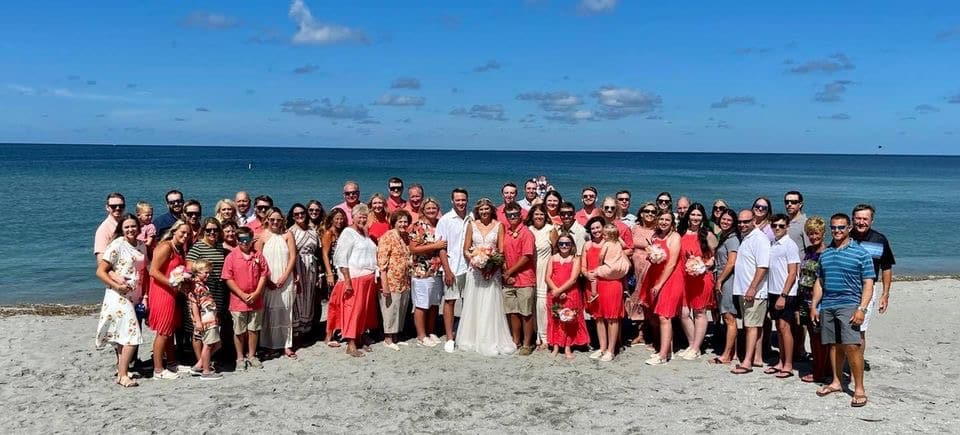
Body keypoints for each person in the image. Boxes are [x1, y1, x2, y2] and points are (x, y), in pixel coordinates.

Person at [811, 213, 875, 407]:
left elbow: (868, 283)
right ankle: (837, 382)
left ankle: (859, 389)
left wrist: (861, 309)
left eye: (841, 228)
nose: (837, 231)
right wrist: (814, 305)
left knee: (852, 346)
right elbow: (820, 282)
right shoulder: (826, 254)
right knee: (833, 345)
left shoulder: (861, 253)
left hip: (850, 304)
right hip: (828, 304)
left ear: (849, 229)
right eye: (834, 228)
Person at [457, 198, 516, 356]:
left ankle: (490, 338)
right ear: (478, 211)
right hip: (475, 271)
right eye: (481, 209)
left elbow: (501, 251)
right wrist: (475, 262)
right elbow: (466, 249)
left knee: (491, 303)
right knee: (474, 302)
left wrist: (491, 267)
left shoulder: (499, 226)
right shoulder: (472, 225)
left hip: (492, 271)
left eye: (487, 209)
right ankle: (472, 338)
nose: (484, 212)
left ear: (491, 210)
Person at [94, 213, 146, 388]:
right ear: (122, 229)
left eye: (133, 226)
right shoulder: (117, 245)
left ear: (138, 227)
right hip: (118, 295)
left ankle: (122, 370)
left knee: (123, 334)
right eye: (127, 227)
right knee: (132, 335)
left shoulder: (141, 246)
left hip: (134, 295)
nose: (131, 229)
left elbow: (144, 272)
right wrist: (117, 286)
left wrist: (144, 295)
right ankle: (123, 375)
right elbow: (101, 271)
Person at [332, 203, 379, 357]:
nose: (363, 219)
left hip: (368, 277)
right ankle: (351, 344)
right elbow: (340, 258)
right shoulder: (348, 233)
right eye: (360, 216)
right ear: (353, 217)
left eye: (365, 216)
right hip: (354, 277)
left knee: (364, 311)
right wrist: (347, 281)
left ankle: (360, 337)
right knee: (353, 310)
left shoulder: (364, 233)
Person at [222, 227, 269, 370]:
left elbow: (264, 274)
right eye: (241, 240)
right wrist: (241, 294)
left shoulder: (258, 255)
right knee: (239, 330)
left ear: (251, 240)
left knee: (254, 329)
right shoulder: (231, 257)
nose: (244, 243)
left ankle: (252, 355)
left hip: (256, 299)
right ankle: (240, 357)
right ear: (237, 241)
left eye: (247, 240)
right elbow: (228, 278)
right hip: (238, 300)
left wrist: (257, 292)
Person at [148, 220, 191, 379]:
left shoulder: (180, 248)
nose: (185, 236)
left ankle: (172, 363)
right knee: (164, 331)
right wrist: (172, 283)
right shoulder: (166, 247)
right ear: (174, 231)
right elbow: (153, 271)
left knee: (170, 329)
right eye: (182, 233)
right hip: (162, 292)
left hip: (172, 292)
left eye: (187, 233)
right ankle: (158, 370)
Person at [850, 204, 895, 353]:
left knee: (859, 329)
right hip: (845, 288)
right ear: (852, 219)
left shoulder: (880, 239)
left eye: (865, 219)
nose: (861, 222)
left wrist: (885, 294)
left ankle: (856, 366)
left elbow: (886, 267)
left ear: (871, 221)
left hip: (867, 289)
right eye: (858, 218)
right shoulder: (845, 237)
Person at [730, 209, 770, 374]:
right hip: (744, 289)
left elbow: (763, 266)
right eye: (740, 222)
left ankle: (746, 362)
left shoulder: (760, 239)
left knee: (751, 326)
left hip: (754, 291)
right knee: (754, 325)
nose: (742, 225)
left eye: (746, 222)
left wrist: (753, 287)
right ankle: (757, 358)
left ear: (754, 220)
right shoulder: (746, 238)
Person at [641, 210, 684, 365]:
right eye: (662, 219)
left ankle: (663, 356)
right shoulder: (655, 236)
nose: (664, 222)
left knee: (664, 316)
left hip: (671, 279)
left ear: (672, 222)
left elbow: (672, 263)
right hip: (656, 276)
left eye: (667, 219)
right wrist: (651, 256)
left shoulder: (675, 237)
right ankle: (666, 350)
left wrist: (660, 284)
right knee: (659, 315)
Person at [185, 218, 229, 367]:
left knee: (212, 325)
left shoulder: (219, 246)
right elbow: (189, 271)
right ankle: (201, 362)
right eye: (209, 230)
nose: (212, 232)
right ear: (203, 230)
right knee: (198, 328)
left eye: (215, 230)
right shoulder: (197, 247)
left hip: (217, 291)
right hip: (200, 292)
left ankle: (205, 360)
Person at [677, 203, 717, 361]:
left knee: (700, 312)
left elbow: (715, 256)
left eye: (698, 215)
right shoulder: (680, 233)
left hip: (701, 278)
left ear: (703, 217)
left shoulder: (707, 234)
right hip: (684, 278)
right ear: (688, 216)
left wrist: (708, 263)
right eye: (692, 214)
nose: (695, 218)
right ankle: (693, 344)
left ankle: (695, 347)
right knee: (684, 312)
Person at [256, 207, 298, 359]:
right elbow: (258, 261)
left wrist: (285, 276)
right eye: (272, 219)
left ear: (282, 221)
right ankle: (270, 345)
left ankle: (286, 345)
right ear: (267, 219)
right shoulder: (262, 237)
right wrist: (266, 280)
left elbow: (293, 257)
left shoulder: (288, 235)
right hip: (268, 280)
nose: (275, 222)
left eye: (278, 220)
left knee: (286, 311)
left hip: (285, 279)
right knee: (269, 312)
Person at [583, 217, 626, 362]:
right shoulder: (587, 245)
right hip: (594, 283)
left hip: (611, 283)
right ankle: (602, 347)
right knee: (599, 317)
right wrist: (586, 274)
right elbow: (583, 265)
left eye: (598, 227)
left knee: (612, 317)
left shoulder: (613, 242)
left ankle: (611, 349)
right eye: (593, 228)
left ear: (604, 228)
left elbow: (625, 257)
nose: (596, 231)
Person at [765, 213, 801, 378]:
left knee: (785, 328)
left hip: (786, 293)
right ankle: (781, 361)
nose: (777, 228)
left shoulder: (789, 245)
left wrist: (784, 295)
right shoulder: (773, 243)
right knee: (778, 328)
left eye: (781, 225)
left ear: (787, 227)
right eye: (774, 226)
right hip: (773, 290)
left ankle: (788, 364)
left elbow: (793, 272)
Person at [409, 198, 448, 347]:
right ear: (423, 210)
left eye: (434, 208)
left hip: (437, 270)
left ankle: (431, 331)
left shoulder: (439, 225)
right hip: (421, 271)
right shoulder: (418, 226)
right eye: (429, 208)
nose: (431, 211)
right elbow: (413, 248)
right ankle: (421, 335)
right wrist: (435, 245)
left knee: (434, 303)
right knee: (421, 304)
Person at [436, 188, 470, 353]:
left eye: (463, 200)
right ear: (452, 201)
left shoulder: (472, 218)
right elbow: (441, 248)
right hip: (453, 267)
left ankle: (466, 334)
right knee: (450, 302)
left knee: (468, 302)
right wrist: (447, 270)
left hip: (470, 269)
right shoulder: (445, 220)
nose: (461, 203)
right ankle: (449, 338)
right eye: (458, 200)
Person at [545, 232, 588, 359]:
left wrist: (561, 291)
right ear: (557, 245)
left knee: (569, 319)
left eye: (567, 243)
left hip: (570, 293)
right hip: (554, 292)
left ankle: (568, 346)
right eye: (561, 243)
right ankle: (556, 345)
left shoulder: (575, 259)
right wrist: (556, 290)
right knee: (555, 318)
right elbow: (547, 277)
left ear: (571, 245)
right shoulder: (552, 258)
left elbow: (574, 279)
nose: (564, 246)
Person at [501, 202, 537, 355]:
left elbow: (526, 257)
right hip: (509, 279)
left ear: (521, 215)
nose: (513, 217)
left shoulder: (527, 233)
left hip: (525, 278)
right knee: (512, 311)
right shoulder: (507, 232)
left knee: (526, 313)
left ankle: (527, 343)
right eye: (510, 215)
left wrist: (510, 272)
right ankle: (516, 340)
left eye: (515, 214)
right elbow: (501, 254)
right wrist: (505, 272)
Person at [797, 216, 830, 383]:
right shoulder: (809, 251)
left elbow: (824, 280)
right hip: (804, 298)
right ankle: (820, 366)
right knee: (812, 335)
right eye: (810, 233)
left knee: (819, 338)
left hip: (817, 300)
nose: (813, 236)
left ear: (823, 233)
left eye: (816, 233)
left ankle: (820, 371)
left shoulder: (826, 253)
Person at [376, 209, 413, 351]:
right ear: (394, 223)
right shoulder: (387, 237)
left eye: (405, 221)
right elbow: (382, 263)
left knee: (401, 308)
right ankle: (388, 338)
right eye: (400, 221)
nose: (403, 224)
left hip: (403, 280)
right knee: (390, 309)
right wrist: (384, 284)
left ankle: (396, 336)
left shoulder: (405, 237)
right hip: (391, 280)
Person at [710, 208, 740, 365]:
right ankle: (732, 353)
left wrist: (720, 280)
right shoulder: (725, 236)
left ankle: (727, 355)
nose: (725, 222)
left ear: (733, 222)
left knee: (729, 317)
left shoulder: (733, 239)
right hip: (723, 278)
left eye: (729, 220)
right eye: (723, 219)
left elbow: (731, 262)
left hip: (728, 281)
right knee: (727, 316)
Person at [526, 203, 556, 349]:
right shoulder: (528, 230)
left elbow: (556, 252)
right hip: (529, 270)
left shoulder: (551, 230)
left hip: (545, 270)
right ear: (532, 216)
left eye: (541, 214)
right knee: (531, 304)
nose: (538, 217)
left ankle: (545, 337)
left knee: (543, 305)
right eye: (536, 214)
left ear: (546, 216)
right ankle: (535, 334)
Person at [186, 259, 223, 380]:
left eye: (209, 273)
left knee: (217, 344)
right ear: (197, 272)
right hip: (205, 319)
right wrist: (197, 321)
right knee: (208, 345)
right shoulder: (196, 287)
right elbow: (194, 305)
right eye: (205, 273)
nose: (208, 275)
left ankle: (199, 365)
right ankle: (206, 371)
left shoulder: (201, 285)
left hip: (210, 317)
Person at [287, 203, 319, 338]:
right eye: (296, 214)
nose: (300, 216)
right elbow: (289, 254)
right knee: (297, 298)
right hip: (297, 266)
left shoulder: (312, 230)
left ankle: (307, 329)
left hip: (311, 267)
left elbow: (317, 251)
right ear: (292, 216)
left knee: (309, 297)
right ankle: (296, 332)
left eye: (302, 213)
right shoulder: (290, 232)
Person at [628, 201, 658, 346]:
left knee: (648, 302)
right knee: (636, 299)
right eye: (647, 211)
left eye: (653, 212)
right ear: (641, 213)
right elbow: (628, 246)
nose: (650, 214)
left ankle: (653, 336)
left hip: (649, 269)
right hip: (635, 269)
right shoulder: (635, 228)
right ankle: (640, 333)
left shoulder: (657, 230)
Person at [322, 208, 348, 347]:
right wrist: (329, 273)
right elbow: (325, 255)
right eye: (337, 218)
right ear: (332, 219)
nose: (339, 221)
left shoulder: (345, 232)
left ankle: (340, 330)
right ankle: (328, 336)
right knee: (333, 303)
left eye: (341, 218)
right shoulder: (329, 233)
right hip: (333, 270)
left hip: (343, 271)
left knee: (343, 302)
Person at [95, 192, 126, 262]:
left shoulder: (129, 224)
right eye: (113, 206)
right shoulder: (103, 230)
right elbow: (101, 260)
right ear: (107, 207)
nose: (117, 208)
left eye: (121, 206)